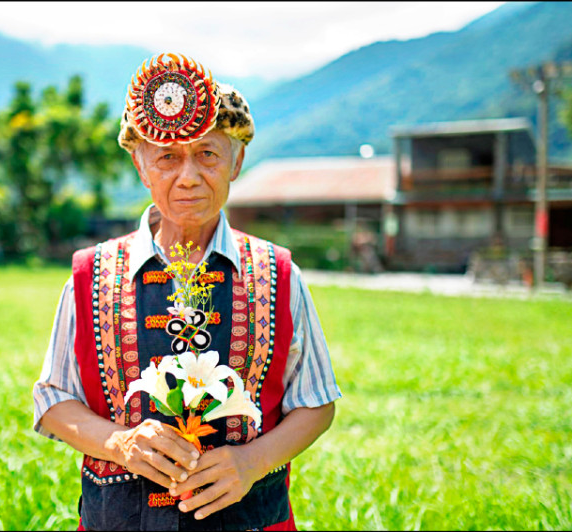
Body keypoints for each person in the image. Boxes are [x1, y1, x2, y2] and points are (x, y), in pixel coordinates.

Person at [33, 52, 342, 531]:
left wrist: (253, 461)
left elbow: (317, 400)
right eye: (168, 157)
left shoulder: (279, 273)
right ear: (141, 166)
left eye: (208, 154)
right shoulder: (89, 274)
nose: (189, 176)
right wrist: (120, 443)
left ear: (236, 161)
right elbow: (54, 400)